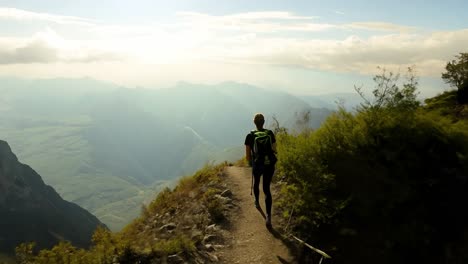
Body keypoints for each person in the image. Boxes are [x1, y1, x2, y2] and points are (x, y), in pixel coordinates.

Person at [244, 113, 277, 227]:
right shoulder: (270, 133)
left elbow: (248, 156)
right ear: (263, 122)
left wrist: (251, 162)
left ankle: (257, 202)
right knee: (266, 189)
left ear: (254, 123)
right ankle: (268, 217)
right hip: (269, 164)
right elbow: (274, 149)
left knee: (256, 183)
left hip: (258, 164)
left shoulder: (250, 136)